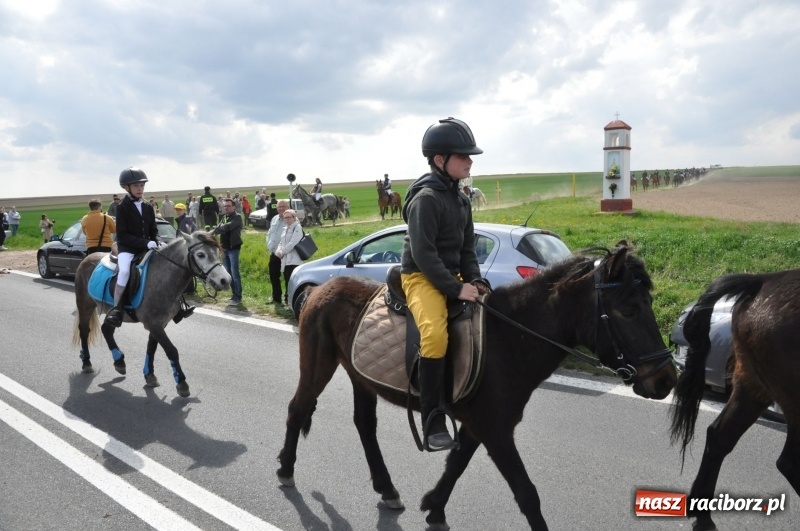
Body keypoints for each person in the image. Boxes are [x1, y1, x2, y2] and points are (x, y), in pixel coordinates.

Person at [400, 117, 488, 451]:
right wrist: (456, 288)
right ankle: (433, 420)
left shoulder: (462, 200)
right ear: (440, 160)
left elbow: (467, 250)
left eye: (470, 156)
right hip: (421, 276)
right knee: (435, 336)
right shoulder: (426, 200)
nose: (469, 161)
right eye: (463, 156)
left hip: (452, 274)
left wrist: (475, 279)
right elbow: (423, 254)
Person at [104, 167, 164, 328]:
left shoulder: (148, 206)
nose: (140, 189)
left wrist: (158, 241)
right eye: (136, 186)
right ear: (126, 187)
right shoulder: (122, 207)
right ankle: (116, 309)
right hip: (128, 249)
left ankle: (176, 305)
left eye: (142, 185)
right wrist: (145, 243)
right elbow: (122, 235)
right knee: (124, 272)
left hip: (146, 248)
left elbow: (153, 230)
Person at [214, 197, 243, 305]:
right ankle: (233, 295)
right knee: (228, 274)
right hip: (224, 249)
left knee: (235, 274)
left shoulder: (237, 217)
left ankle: (238, 296)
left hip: (233, 249)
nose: (226, 208)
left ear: (234, 207)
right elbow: (217, 230)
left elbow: (229, 227)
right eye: (225, 206)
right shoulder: (224, 217)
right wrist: (220, 228)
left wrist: (221, 227)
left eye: (228, 206)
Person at [275, 208, 303, 298]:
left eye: (289, 217)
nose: (286, 219)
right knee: (287, 279)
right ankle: (287, 298)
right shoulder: (285, 228)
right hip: (285, 259)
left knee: (292, 281)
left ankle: (292, 298)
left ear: (294, 217)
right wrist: (278, 251)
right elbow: (281, 242)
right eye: (285, 218)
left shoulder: (297, 227)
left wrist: (282, 252)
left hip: (294, 259)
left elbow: (293, 243)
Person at [266, 199, 289, 304]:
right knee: (273, 275)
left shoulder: (291, 219)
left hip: (287, 254)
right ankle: (276, 298)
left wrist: (283, 250)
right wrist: (269, 244)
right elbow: (269, 233)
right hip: (274, 252)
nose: (281, 208)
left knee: (288, 277)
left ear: (288, 207)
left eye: (284, 206)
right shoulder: (274, 219)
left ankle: (288, 299)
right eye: (279, 207)